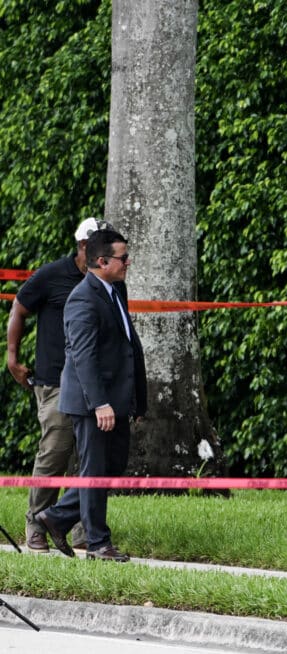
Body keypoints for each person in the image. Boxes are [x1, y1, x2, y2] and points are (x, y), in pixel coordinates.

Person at [35, 227, 147, 562]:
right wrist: (100, 403)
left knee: (110, 467)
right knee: (96, 469)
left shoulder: (116, 288)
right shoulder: (82, 298)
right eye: (122, 258)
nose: (128, 262)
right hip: (91, 403)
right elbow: (83, 356)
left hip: (117, 398)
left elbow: (126, 343)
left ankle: (56, 517)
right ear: (101, 261)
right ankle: (98, 544)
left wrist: (135, 398)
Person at [6, 218, 111, 553]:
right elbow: (18, 309)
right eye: (96, 245)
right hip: (54, 382)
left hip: (93, 383)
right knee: (54, 452)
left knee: (90, 459)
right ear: (82, 246)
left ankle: (78, 526)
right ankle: (36, 523)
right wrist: (12, 356)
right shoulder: (52, 275)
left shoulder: (105, 280)